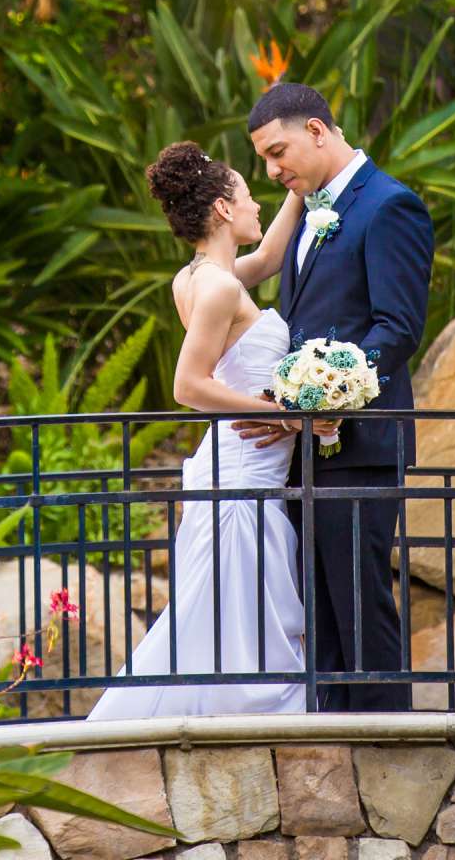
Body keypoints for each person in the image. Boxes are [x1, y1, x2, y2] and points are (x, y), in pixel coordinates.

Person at [88, 143, 310, 718]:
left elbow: (269, 255)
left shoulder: (203, 277)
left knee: (222, 615)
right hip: (240, 467)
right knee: (228, 617)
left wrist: (299, 183)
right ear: (222, 207)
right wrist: (275, 412)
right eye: (247, 193)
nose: (256, 202)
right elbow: (188, 385)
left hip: (238, 463)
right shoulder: (215, 287)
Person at [235, 82, 433, 711]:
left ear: (317, 130)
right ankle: (332, 742)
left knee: (359, 605)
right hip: (306, 448)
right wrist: (289, 402)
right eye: (264, 160)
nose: (271, 170)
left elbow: (396, 328)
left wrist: (320, 397)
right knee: (318, 612)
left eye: (278, 151)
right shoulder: (306, 211)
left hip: (363, 445)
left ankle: (388, 754)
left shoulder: (390, 206)